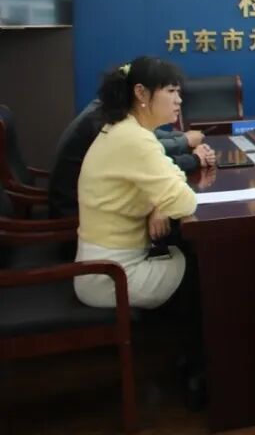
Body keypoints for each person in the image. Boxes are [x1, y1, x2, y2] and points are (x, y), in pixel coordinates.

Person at [74, 57, 198, 310]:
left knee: (195, 257)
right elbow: (185, 202)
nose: (179, 100)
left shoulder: (125, 129)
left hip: (104, 266)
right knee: (208, 267)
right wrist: (165, 202)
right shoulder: (134, 139)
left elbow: (174, 175)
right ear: (141, 92)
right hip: (111, 276)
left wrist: (160, 205)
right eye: (171, 91)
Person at [48, 99, 215, 218]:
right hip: (75, 212)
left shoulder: (106, 110)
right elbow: (150, 159)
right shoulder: (106, 122)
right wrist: (194, 158)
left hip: (87, 201)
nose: (177, 99)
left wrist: (183, 139)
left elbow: (150, 140)